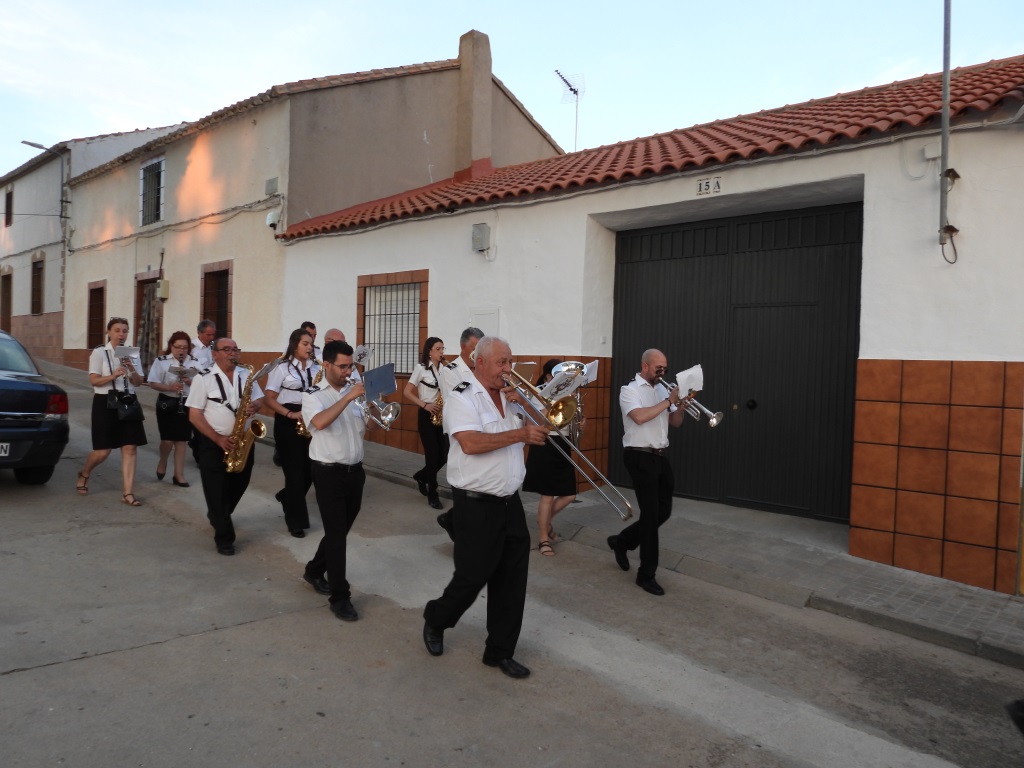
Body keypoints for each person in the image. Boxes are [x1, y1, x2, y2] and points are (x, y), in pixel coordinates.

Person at [422, 336, 548, 679]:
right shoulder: (462, 398)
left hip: (510, 502)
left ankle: (499, 652)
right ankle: (436, 618)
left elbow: (544, 426)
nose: (509, 369)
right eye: (502, 363)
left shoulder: (512, 397)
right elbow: (472, 443)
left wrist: (525, 404)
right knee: (472, 577)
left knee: (512, 581)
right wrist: (519, 435)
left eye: (510, 362)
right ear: (480, 363)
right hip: (475, 505)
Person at [301, 340, 374, 621]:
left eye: (351, 366)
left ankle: (314, 569)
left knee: (339, 531)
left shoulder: (354, 392)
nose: (348, 371)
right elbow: (318, 423)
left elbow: (363, 429)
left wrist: (371, 411)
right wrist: (347, 398)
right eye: (342, 367)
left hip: (355, 471)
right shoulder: (314, 395)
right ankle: (340, 596)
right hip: (327, 472)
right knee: (337, 536)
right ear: (326, 365)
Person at [608, 349, 686, 596]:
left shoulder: (663, 390)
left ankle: (623, 541)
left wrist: (681, 404)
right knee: (651, 516)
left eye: (665, 368)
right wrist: (668, 402)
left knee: (663, 512)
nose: (662, 373)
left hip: (661, 455)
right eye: (658, 369)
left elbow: (676, 422)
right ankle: (646, 575)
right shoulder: (629, 390)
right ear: (645, 366)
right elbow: (640, 417)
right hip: (639, 455)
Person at [186, 339, 265, 555]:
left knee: (240, 481)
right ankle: (224, 537)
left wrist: (254, 406)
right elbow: (194, 415)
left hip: (242, 440)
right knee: (216, 488)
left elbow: (260, 399)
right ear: (215, 354)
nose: (232, 353)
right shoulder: (203, 379)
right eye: (227, 350)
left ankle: (219, 514)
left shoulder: (247, 374)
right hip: (214, 441)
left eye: (235, 349)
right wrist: (218, 439)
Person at [77, 316, 147, 506]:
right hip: (105, 401)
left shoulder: (132, 353)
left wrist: (131, 367)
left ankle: (128, 493)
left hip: (128, 400)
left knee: (130, 447)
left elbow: (139, 382)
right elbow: (93, 381)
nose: (121, 334)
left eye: (125, 330)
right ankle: (84, 473)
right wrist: (113, 375)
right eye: (117, 330)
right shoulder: (100, 352)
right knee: (102, 452)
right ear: (109, 332)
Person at [264, 328, 319, 537]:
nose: (309, 347)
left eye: (311, 344)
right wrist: (289, 414)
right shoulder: (281, 367)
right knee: (295, 473)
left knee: (311, 471)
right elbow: (270, 398)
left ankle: (287, 497)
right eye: (305, 343)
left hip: (309, 420)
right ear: (294, 344)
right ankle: (295, 521)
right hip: (288, 422)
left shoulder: (316, 368)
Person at [522, 358, 577, 556]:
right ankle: (543, 538)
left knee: (569, 494)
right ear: (547, 376)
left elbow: (577, 424)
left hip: (563, 443)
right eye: (557, 374)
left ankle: (545, 523)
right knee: (547, 495)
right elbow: (533, 421)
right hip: (545, 443)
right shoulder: (539, 394)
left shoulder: (570, 393)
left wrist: (580, 416)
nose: (561, 378)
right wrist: (553, 403)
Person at [435, 326, 483, 535]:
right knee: (464, 483)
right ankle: (457, 525)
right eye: (474, 348)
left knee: (477, 483)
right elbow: (460, 400)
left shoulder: (480, 368)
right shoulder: (450, 371)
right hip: (458, 433)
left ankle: (453, 519)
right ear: (463, 347)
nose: (477, 354)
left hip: (481, 431)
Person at [147, 331, 199, 487]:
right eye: (178, 347)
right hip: (166, 402)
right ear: (171, 346)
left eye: (185, 347)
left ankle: (179, 475)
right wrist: (170, 386)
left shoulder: (194, 362)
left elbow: (204, 383)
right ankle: (163, 461)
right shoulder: (162, 361)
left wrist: (189, 381)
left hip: (187, 402)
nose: (181, 350)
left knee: (182, 440)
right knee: (167, 440)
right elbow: (153, 382)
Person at [404, 336, 448, 510]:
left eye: (443, 348)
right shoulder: (420, 368)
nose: (441, 352)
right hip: (426, 414)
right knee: (432, 455)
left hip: (440, 414)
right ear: (429, 350)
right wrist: (424, 405)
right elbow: (407, 392)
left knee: (444, 455)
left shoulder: (444, 369)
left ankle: (422, 476)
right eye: (438, 349)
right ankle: (433, 494)